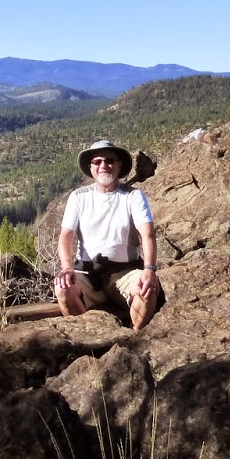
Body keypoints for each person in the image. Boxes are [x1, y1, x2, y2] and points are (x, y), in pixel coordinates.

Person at [54, 139, 160, 330]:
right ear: (91, 167)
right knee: (63, 288)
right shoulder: (78, 197)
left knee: (146, 290)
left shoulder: (133, 196)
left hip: (125, 273)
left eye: (109, 161)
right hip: (87, 273)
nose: (103, 165)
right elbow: (66, 236)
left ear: (119, 165)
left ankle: (135, 338)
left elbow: (148, 234)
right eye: (97, 162)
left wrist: (149, 269)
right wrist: (67, 267)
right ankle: (86, 336)